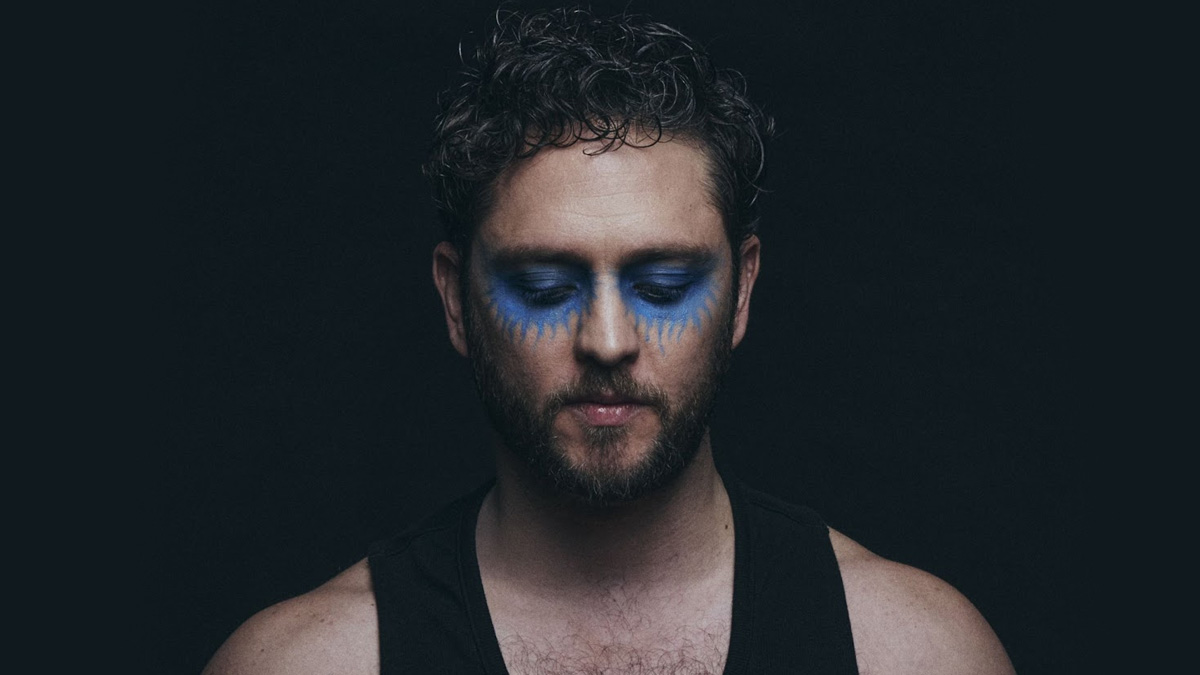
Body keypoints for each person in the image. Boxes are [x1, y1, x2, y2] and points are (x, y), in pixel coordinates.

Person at [203, 8, 1014, 674]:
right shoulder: (311, 663)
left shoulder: (915, 654)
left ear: (741, 292)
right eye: (543, 286)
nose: (608, 339)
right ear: (455, 299)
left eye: (662, 285)